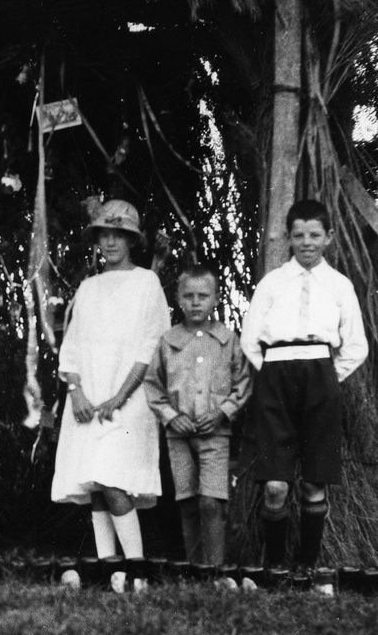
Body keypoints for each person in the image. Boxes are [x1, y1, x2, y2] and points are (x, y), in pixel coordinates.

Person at [240, 199, 368, 592]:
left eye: (315, 235)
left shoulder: (340, 285)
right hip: (276, 374)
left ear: (328, 238)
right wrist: (275, 374)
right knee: (276, 485)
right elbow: (250, 340)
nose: (306, 242)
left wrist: (328, 377)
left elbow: (356, 346)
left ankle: (306, 569)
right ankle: (276, 567)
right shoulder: (273, 283)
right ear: (288, 238)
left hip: (320, 375)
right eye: (298, 235)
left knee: (315, 483)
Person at [52, 199, 170, 592]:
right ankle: (110, 569)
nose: (110, 242)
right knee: (95, 485)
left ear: (133, 240)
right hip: (88, 400)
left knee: (113, 479)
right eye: (104, 234)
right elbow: (71, 348)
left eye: (118, 235)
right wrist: (77, 392)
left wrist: (119, 397)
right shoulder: (88, 287)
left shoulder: (146, 283)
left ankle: (138, 567)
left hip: (129, 399)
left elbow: (150, 346)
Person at [145, 264, 252, 585]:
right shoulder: (168, 341)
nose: (195, 303)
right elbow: (153, 385)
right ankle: (195, 572)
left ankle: (216, 572)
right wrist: (171, 416)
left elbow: (243, 382)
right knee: (189, 501)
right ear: (178, 298)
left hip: (215, 434)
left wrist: (222, 412)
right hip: (178, 435)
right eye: (188, 296)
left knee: (211, 500)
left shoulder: (228, 339)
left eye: (203, 296)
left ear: (216, 299)